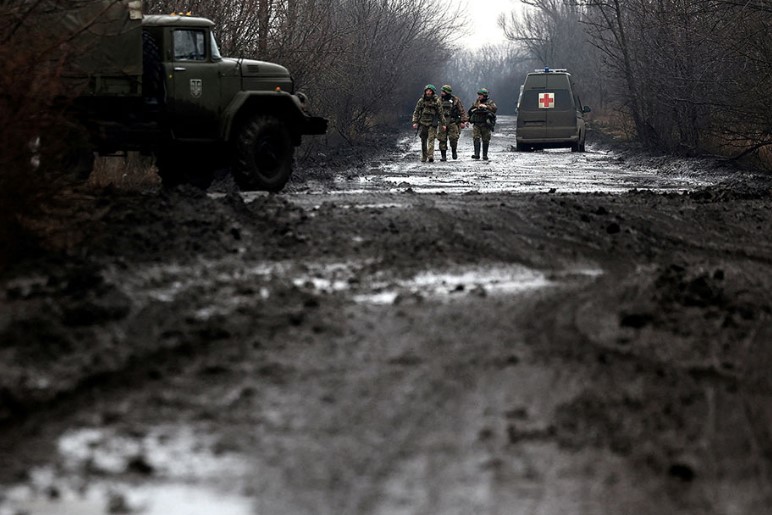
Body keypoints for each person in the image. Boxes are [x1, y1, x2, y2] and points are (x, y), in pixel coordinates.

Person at [412, 84, 446, 163]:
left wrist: (443, 124)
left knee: (431, 139)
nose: (428, 92)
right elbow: (416, 112)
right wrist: (415, 122)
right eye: (427, 91)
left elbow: (440, 113)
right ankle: (424, 156)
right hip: (423, 123)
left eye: (430, 91)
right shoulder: (421, 101)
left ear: (433, 92)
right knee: (423, 140)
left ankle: (430, 155)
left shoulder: (437, 101)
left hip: (432, 123)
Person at [437, 84, 468, 161]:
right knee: (442, 139)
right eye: (441, 91)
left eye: (443, 91)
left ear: (447, 92)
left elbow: (461, 110)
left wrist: (463, 121)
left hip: (453, 122)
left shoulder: (455, 100)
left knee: (454, 138)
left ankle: (454, 151)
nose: (442, 93)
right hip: (442, 123)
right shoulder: (439, 100)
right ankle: (443, 156)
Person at [468, 88, 497, 160]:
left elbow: (494, 109)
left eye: (480, 95)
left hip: (485, 124)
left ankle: (484, 155)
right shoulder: (477, 102)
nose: (479, 96)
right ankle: (476, 154)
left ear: (484, 95)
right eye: (479, 95)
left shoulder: (490, 102)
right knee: (476, 138)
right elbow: (470, 110)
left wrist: (486, 107)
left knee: (485, 139)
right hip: (477, 123)